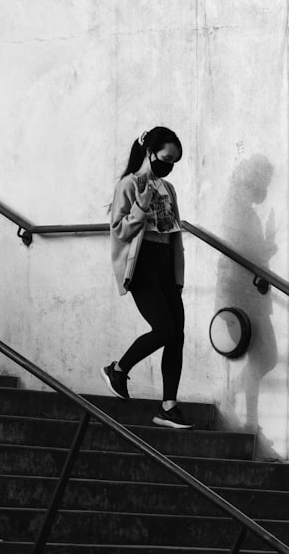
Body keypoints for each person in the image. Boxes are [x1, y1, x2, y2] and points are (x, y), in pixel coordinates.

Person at [102, 126, 192, 429]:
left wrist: (178, 275)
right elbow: (119, 231)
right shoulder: (129, 185)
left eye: (174, 162)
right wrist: (141, 205)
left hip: (166, 267)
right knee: (164, 330)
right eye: (166, 158)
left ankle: (168, 407)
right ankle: (118, 368)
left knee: (176, 336)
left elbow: (174, 233)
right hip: (142, 266)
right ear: (150, 153)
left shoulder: (168, 189)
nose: (169, 166)